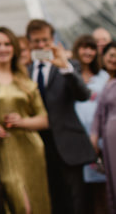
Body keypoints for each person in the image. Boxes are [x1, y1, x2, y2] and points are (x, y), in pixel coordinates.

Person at [0, 27, 51, 214]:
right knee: (19, 203)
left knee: (36, 202)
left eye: (7, 44)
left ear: (14, 48)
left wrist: (22, 122)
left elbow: (44, 119)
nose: (2, 48)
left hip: (30, 148)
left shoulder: (26, 81)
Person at [26, 19, 95, 214]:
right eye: (36, 41)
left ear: (53, 40)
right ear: (29, 43)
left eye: (45, 41)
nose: (41, 45)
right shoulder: (26, 71)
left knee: (77, 201)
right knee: (53, 200)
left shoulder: (69, 66)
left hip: (68, 144)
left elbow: (83, 95)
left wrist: (65, 67)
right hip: (39, 145)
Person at [72, 35, 109, 213]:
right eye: (84, 47)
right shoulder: (70, 76)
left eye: (92, 48)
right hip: (76, 139)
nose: (88, 52)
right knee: (80, 193)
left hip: (101, 138)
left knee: (102, 189)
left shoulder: (104, 77)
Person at [91, 41, 116, 214]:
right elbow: (99, 114)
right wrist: (94, 137)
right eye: (111, 55)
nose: (114, 59)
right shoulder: (107, 82)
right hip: (109, 144)